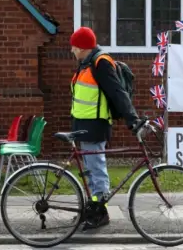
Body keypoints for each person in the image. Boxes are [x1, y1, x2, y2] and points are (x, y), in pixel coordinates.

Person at [69, 26, 140, 230]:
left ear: (83, 47)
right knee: (90, 172)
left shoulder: (100, 63)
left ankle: (100, 212)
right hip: (82, 125)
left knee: (96, 170)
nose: (72, 50)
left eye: (74, 47)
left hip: (95, 125)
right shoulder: (86, 63)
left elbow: (118, 93)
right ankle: (94, 209)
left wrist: (132, 120)